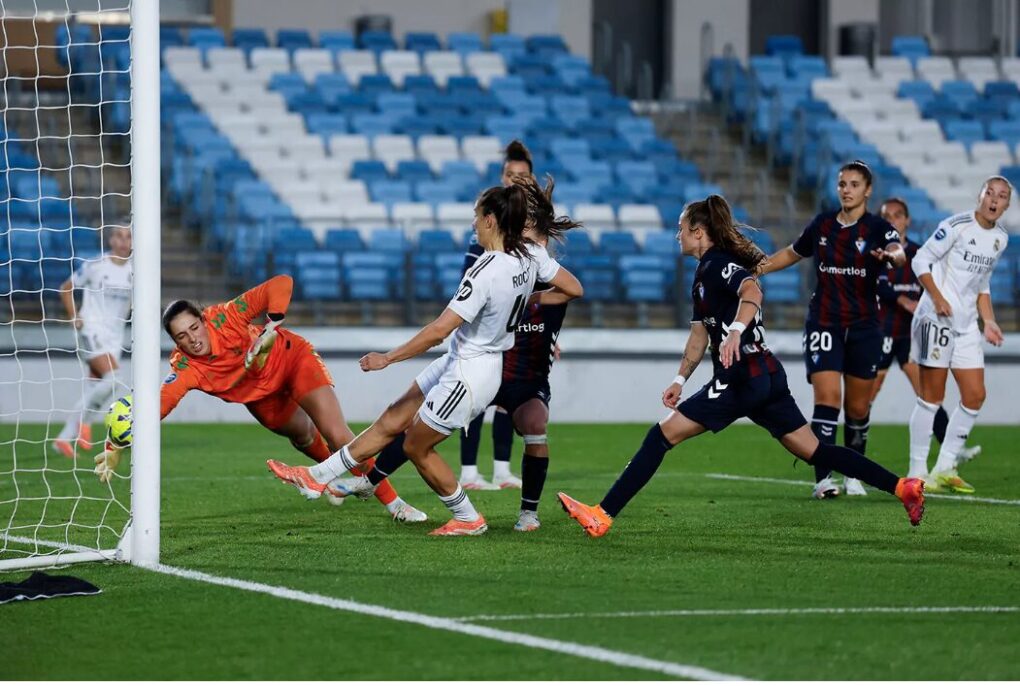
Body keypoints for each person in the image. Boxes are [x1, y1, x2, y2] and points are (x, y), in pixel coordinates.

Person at [557, 195, 925, 537]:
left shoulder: (719, 265)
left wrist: (734, 332)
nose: (677, 235)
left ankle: (601, 515)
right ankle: (901, 486)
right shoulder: (703, 275)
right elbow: (699, 337)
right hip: (764, 374)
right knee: (816, 451)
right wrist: (679, 378)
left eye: (681, 228)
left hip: (742, 377)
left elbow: (753, 290)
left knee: (661, 436)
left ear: (698, 232)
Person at [266, 185, 584, 536]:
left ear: (491, 221)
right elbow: (573, 289)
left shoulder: (485, 270)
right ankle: (316, 477)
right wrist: (528, 300)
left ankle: (468, 518)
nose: (473, 225)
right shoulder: (530, 255)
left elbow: (438, 331)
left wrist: (388, 358)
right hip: (467, 360)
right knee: (394, 416)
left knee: (416, 445)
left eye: (477, 217)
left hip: (469, 372)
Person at [93, 274, 427, 523]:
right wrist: (115, 444)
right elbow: (159, 405)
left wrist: (272, 324)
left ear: (203, 319)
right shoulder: (186, 368)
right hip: (262, 399)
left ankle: (393, 503)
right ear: (175, 343)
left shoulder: (226, 316)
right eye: (182, 336)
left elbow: (280, 283)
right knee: (304, 435)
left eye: (194, 328)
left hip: (293, 360)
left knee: (337, 434)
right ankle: (330, 478)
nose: (192, 339)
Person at [759, 160, 905, 499]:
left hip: (865, 326)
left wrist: (892, 257)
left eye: (854, 184)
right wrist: (758, 268)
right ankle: (823, 479)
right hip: (824, 321)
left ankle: (854, 473)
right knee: (827, 400)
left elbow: (898, 253)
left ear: (867, 190)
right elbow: (792, 253)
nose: (847, 190)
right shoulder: (822, 224)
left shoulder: (878, 228)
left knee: (858, 407)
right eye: (842, 184)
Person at [907, 176, 1010, 493]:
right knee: (932, 398)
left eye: (1002, 196)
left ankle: (944, 466)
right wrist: (937, 297)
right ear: (979, 195)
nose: (994, 200)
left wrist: (988, 321)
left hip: (966, 326)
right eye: (989, 193)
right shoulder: (957, 225)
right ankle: (917, 471)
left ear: (1007, 205)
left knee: (975, 395)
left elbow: (982, 283)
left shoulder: (1000, 239)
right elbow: (920, 259)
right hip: (935, 319)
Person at [872, 198, 980, 468]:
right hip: (881, 332)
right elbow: (880, 286)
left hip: (910, 335)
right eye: (887, 216)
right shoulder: (877, 253)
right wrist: (904, 300)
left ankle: (950, 450)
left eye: (898, 215)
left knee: (927, 394)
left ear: (907, 220)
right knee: (866, 397)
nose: (893, 220)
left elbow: (933, 285)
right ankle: (853, 461)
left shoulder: (921, 253)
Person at [458, 139, 536, 490]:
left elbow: (542, 288)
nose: (516, 181)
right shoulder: (487, 230)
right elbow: (470, 283)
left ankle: (502, 470)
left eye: (523, 176)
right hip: (482, 332)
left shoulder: (534, 232)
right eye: (510, 175)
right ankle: (469, 472)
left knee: (506, 398)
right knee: (475, 400)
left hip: (517, 330)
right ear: (503, 177)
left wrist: (548, 334)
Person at [54, 225, 133, 458]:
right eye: (119, 235)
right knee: (114, 379)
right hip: (91, 329)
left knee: (95, 388)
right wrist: (74, 316)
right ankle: (83, 424)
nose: (123, 241)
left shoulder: (136, 272)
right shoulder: (95, 266)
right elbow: (65, 288)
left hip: (115, 337)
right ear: (110, 239)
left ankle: (63, 439)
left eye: (128, 237)